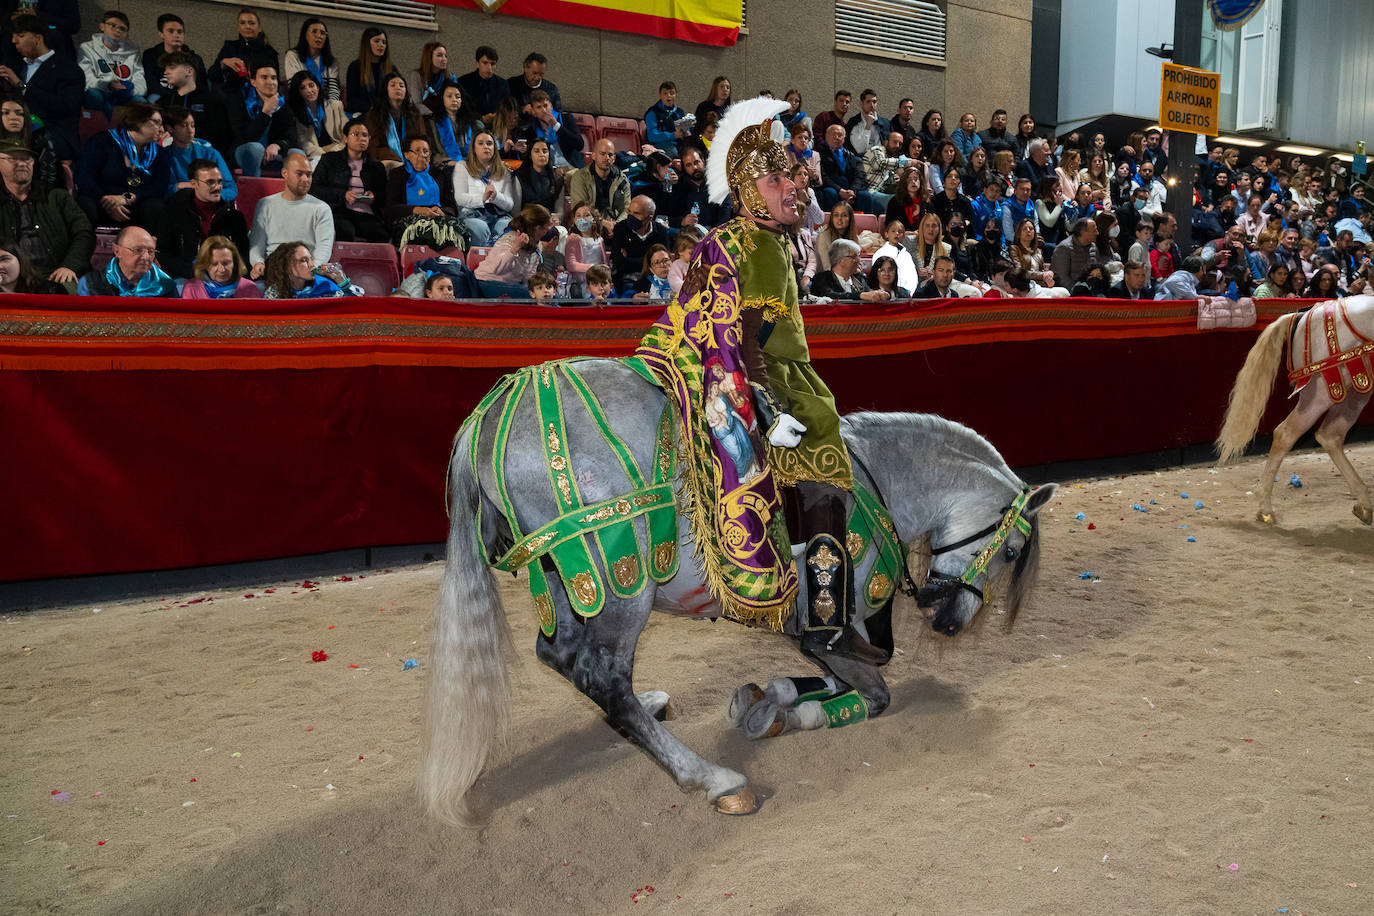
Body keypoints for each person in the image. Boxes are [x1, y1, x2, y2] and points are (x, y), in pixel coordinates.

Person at [636, 97, 894, 661]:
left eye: (792, 177)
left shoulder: (744, 237)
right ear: (749, 193)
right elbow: (744, 336)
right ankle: (825, 622)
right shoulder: (759, 245)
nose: (793, 188)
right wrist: (771, 410)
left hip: (691, 358)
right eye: (775, 181)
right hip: (748, 375)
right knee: (825, 468)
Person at [0, 137, 91, 290]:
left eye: (27, 159)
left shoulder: (57, 197)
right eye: (12, 159)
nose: (22, 163)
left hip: (56, 273)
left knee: (70, 291)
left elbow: (84, 233)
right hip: (9, 274)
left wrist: (69, 266)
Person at [0, 15, 83, 160]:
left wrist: (21, 86)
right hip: (14, 128)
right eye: (13, 36)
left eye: (21, 35)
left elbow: (66, 107)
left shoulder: (68, 69)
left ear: (38, 38)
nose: (14, 41)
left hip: (53, 133)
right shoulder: (17, 66)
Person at [75, 101, 164, 230]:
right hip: (102, 200)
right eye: (156, 122)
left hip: (136, 203)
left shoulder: (159, 152)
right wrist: (108, 201)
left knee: (155, 206)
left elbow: (159, 186)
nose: (162, 129)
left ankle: (149, 242)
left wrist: (129, 197)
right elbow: (84, 177)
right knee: (84, 203)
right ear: (137, 121)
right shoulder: (102, 142)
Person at [157, 158, 249, 278]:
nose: (217, 187)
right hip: (185, 277)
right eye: (210, 182)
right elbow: (165, 254)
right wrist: (194, 272)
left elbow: (242, 256)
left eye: (219, 182)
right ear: (194, 184)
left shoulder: (234, 217)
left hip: (224, 277)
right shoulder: (174, 213)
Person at [247, 152, 334, 279]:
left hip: (306, 272)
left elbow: (324, 248)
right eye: (299, 174)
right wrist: (258, 262)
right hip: (274, 270)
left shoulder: (322, 208)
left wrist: (311, 269)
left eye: (309, 175)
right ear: (285, 173)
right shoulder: (265, 204)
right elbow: (257, 242)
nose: (305, 179)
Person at [383, 135, 467, 249]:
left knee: (459, 232)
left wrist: (441, 211)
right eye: (417, 151)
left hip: (438, 219)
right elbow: (391, 208)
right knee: (422, 231)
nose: (422, 155)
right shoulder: (397, 174)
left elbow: (452, 207)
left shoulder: (439, 174)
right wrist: (416, 210)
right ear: (406, 155)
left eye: (426, 151)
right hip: (408, 220)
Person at [147, 50, 232, 162]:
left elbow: (221, 137)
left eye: (171, 68)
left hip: (203, 159)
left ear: (189, 71)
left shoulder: (212, 101)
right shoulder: (163, 102)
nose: (166, 72)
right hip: (169, 158)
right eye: (165, 69)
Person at [312, 118, 388, 243]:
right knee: (345, 231)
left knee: (381, 234)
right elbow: (314, 188)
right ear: (345, 138)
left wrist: (374, 197)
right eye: (355, 134)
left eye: (365, 135)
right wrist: (343, 195)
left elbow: (385, 196)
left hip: (366, 213)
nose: (361, 139)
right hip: (338, 211)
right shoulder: (330, 160)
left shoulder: (376, 167)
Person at [229, 61, 292, 178]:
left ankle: (291, 190)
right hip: (245, 151)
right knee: (255, 148)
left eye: (273, 78)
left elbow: (292, 137)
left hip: (273, 154)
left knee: (297, 153)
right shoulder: (241, 102)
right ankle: (253, 188)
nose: (270, 82)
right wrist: (266, 113)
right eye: (264, 77)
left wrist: (277, 145)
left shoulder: (283, 105)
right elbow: (245, 138)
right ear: (253, 82)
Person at [451, 129, 515, 246]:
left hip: (498, 215)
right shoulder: (462, 166)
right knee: (480, 227)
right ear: (474, 148)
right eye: (480, 143)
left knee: (506, 226)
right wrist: (482, 198)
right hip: (471, 215)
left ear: (494, 148)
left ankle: (499, 256)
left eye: (489, 143)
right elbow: (459, 198)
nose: (486, 146)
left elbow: (510, 204)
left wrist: (496, 196)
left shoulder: (503, 170)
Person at [473, 202, 551, 297]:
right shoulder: (510, 238)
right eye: (546, 228)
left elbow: (528, 278)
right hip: (487, 281)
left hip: (510, 284)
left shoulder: (536, 245)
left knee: (550, 295)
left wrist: (542, 287)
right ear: (537, 228)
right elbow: (497, 268)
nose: (547, 232)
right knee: (538, 295)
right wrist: (515, 248)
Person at [78, 224, 178, 296]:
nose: (146, 257)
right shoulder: (90, 284)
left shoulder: (165, 286)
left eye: (150, 251)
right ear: (117, 251)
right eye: (138, 250)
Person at [77, 10, 145, 113]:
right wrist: (108, 85)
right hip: (101, 91)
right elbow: (85, 77)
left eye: (122, 28)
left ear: (127, 34)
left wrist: (130, 90)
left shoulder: (133, 52)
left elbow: (139, 78)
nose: (117, 30)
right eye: (112, 25)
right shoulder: (87, 48)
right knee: (93, 95)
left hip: (126, 93)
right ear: (102, 26)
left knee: (141, 101)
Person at [209, 8, 278, 98]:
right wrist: (223, 63)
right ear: (238, 28)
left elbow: (276, 83)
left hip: (261, 98)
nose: (247, 26)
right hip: (232, 97)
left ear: (259, 28)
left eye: (251, 23)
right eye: (242, 23)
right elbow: (212, 76)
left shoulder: (270, 52)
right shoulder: (229, 47)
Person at [363, 71, 426, 169]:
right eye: (393, 85)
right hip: (387, 159)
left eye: (401, 86)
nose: (398, 88)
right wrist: (396, 158)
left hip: (412, 158)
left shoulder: (415, 114)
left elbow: (421, 139)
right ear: (385, 90)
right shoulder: (375, 114)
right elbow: (373, 146)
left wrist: (413, 155)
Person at [568, 138, 630, 234]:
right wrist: (603, 223)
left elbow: (626, 209)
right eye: (602, 154)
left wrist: (616, 225)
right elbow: (579, 209)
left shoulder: (622, 180)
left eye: (610, 155)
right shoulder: (580, 177)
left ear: (614, 158)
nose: (607, 158)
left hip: (615, 225)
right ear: (593, 156)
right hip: (588, 225)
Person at [283, 71, 346, 162]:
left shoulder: (336, 106)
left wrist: (335, 152)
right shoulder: (295, 114)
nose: (309, 91)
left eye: (311, 85)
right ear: (298, 92)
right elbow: (305, 145)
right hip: (315, 157)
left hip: (338, 152)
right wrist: (325, 155)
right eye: (302, 88)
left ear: (318, 86)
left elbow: (347, 134)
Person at [261, 240, 360, 297]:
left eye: (311, 259)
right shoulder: (274, 293)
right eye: (304, 260)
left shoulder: (324, 286)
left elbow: (354, 306)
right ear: (286, 266)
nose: (312, 265)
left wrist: (342, 282)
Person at [610, 194, 669, 290]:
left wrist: (629, 259)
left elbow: (663, 264)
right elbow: (619, 263)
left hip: (653, 280)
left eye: (636, 213)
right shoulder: (620, 228)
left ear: (650, 217)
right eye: (629, 211)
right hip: (625, 280)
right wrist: (651, 261)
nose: (630, 216)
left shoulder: (661, 232)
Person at [0, 97, 58, 192]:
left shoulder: (39, 137)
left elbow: (48, 175)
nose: (13, 118)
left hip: (34, 191)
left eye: (19, 113)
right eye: (6, 113)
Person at [517, 88, 582, 169]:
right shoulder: (532, 128)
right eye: (539, 107)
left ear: (551, 106)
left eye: (545, 105)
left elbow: (579, 145)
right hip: (548, 171)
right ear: (533, 111)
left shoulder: (565, 118)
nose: (544, 110)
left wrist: (556, 126)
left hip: (572, 167)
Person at [818, 122, 875, 213]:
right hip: (832, 187)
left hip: (850, 189)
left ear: (844, 139)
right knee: (830, 193)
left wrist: (852, 191)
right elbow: (823, 176)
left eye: (840, 135)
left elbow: (859, 176)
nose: (836, 137)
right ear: (826, 136)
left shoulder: (851, 156)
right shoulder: (819, 153)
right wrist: (840, 190)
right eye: (833, 135)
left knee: (865, 196)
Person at [142, 14, 206, 95]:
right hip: (160, 96)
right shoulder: (150, 55)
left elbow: (201, 85)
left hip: (188, 97)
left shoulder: (195, 58)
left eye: (180, 32)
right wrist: (171, 98)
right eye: (171, 31)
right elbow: (151, 83)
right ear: (161, 34)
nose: (176, 35)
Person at [181, 234, 258, 298]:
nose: (222, 269)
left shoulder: (249, 288)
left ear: (235, 263)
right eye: (214, 264)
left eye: (226, 263)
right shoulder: (192, 288)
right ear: (204, 265)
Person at [281, 18, 339, 103]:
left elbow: (333, 90)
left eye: (322, 33)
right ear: (305, 35)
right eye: (314, 31)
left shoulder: (331, 61)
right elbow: (294, 87)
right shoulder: (293, 56)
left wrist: (330, 106)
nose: (319, 36)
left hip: (325, 104)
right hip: (300, 103)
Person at [811, 237, 885, 302]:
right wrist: (860, 295)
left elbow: (869, 294)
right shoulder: (822, 278)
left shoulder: (860, 278)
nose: (858, 260)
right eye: (854, 257)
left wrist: (879, 294)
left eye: (858, 256)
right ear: (840, 260)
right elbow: (829, 296)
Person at [427, 82, 478, 173]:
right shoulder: (433, 123)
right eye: (449, 96)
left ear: (462, 100)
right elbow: (432, 151)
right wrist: (447, 162)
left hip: (469, 163)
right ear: (442, 99)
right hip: (445, 164)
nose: (454, 100)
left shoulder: (470, 122)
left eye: (457, 97)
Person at [345, 27, 396, 117]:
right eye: (376, 41)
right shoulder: (355, 67)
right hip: (362, 113)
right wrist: (372, 108)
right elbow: (351, 101)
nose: (381, 45)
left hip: (386, 114)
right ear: (367, 44)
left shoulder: (391, 68)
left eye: (384, 42)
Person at [455, 45, 509, 123]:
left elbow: (506, 107)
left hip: (496, 124)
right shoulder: (463, 82)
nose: (489, 68)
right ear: (477, 64)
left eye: (493, 64)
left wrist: (495, 116)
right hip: (471, 124)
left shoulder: (502, 84)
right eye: (485, 63)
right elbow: (461, 108)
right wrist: (481, 118)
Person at [513, 137, 565, 214]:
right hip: (526, 218)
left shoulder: (557, 179)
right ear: (530, 155)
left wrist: (557, 217)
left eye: (545, 151)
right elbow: (515, 211)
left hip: (549, 219)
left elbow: (560, 211)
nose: (541, 154)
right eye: (536, 151)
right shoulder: (519, 176)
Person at [565, 203, 606, 294]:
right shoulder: (573, 239)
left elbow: (603, 262)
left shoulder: (600, 240)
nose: (582, 219)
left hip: (599, 279)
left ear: (594, 219)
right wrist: (592, 267)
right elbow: (571, 265)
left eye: (586, 215)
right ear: (574, 220)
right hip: (582, 282)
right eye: (578, 216)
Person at [871, 219, 918, 293]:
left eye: (900, 232)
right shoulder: (880, 253)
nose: (897, 234)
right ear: (886, 234)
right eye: (893, 231)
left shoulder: (907, 255)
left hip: (906, 293)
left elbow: (912, 276)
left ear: (903, 236)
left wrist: (909, 292)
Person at [1051, 217, 1101, 284]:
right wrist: (1078, 289)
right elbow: (1061, 278)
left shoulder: (1093, 247)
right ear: (1083, 232)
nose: (1097, 233)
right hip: (1071, 288)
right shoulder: (1064, 248)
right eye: (1094, 230)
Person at [812, 201, 856, 277]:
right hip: (826, 276)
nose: (839, 218)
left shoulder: (853, 235)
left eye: (844, 215)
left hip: (847, 276)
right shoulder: (824, 235)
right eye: (836, 215)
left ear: (850, 218)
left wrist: (856, 269)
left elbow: (857, 261)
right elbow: (826, 267)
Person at [645, 80, 687, 158]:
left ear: (676, 95)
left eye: (672, 93)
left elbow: (686, 131)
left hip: (679, 144)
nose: (669, 96)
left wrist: (687, 133)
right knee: (673, 152)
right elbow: (652, 136)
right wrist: (672, 135)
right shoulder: (653, 112)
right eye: (665, 93)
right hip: (659, 145)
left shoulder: (680, 112)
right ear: (660, 95)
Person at [844, 88, 889, 156]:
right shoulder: (853, 122)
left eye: (874, 102)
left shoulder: (886, 123)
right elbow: (860, 150)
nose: (872, 105)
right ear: (861, 104)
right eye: (868, 101)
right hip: (861, 160)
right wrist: (868, 126)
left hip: (882, 159)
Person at [406, 41, 449, 106]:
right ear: (429, 57)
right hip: (421, 112)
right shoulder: (415, 76)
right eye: (439, 55)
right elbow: (417, 104)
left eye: (445, 56)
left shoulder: (450, 77)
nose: (444, 59)